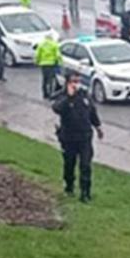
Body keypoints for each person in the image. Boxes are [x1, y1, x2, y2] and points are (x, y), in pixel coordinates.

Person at [52, 74, 103, 203]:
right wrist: (69, 97)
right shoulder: (63, 96)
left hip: (85, 137)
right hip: (69, 137)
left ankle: (85, 193)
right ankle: (69, 186)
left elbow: (92, 112)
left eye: (78, 81)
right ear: (68, 83)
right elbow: (56, 108)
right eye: (74, 81)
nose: (77, 84)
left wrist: (98, 127)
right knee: (69, 164)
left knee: (85, 165)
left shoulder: (84, 95)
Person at [34, 35, 62, 100]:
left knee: (44, 79)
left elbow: (37, 54)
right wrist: (60, 62)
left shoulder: (41, 44)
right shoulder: (54, 44)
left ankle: (44, 94)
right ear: (51, 38)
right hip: (51, 64)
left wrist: (36, 62)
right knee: (51, 80)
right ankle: (50, 94)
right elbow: (58, 55)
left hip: (43, 64)